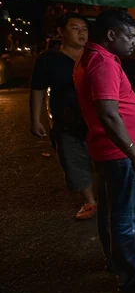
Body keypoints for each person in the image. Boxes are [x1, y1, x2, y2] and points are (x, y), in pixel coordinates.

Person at [73, 10, 135, 293]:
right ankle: (131, 274)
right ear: (111, 35)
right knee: (125, 213)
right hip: (118, 154)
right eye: (130, 36)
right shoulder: (102, 62)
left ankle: (118, 261)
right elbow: (109, 115)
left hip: (109, 151)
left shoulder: (97, 57)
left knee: (111, 211)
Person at [29, 13, 97, 220]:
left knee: (105, 160)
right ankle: (90, 201)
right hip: (66, 119)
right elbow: (38, 89)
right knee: (73, 160)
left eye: (84, 29)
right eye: (75, 28)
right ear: (61, 32)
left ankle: (109, 196)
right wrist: (35, 119)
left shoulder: (95, 55)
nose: (81, 33)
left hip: (97, 119)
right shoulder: (48, 59)